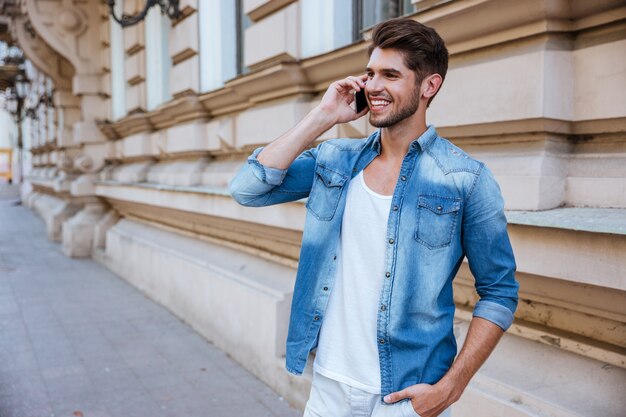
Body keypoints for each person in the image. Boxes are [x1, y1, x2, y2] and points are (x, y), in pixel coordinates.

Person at [230, 17, 518, 417]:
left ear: (428, 86)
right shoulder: (335, 160)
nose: (373, 86)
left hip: (407, 397)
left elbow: (500, 293)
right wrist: (324, 116)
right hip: (330, 387)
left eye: (390, 75)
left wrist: (451, 388)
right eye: (369, 73)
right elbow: (247, 188)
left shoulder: (465, 180)